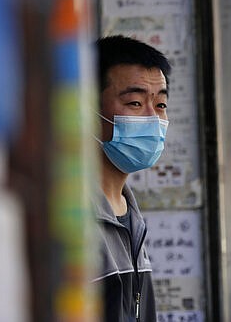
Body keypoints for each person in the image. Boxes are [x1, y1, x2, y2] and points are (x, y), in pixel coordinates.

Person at [92, 35, 171, 322]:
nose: (152, 118)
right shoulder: (71, 218)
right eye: (135, 103)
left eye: (160, 105)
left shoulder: (131, 218)